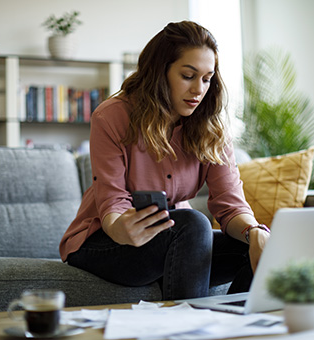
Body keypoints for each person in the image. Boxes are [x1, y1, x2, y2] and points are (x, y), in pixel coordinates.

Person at [59, 20, 270, 300]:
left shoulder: (211, 128)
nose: (198, 89)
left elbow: (230, 204)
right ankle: (187, 330)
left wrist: (253, 232)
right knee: (194, 224)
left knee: (257, 246)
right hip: (104, 240)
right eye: (188, 75)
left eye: (207, 79)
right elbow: (112, 200)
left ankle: (231, 324)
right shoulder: (112, 116)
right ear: (161, 71)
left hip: (177, 240)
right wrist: (119, 227)